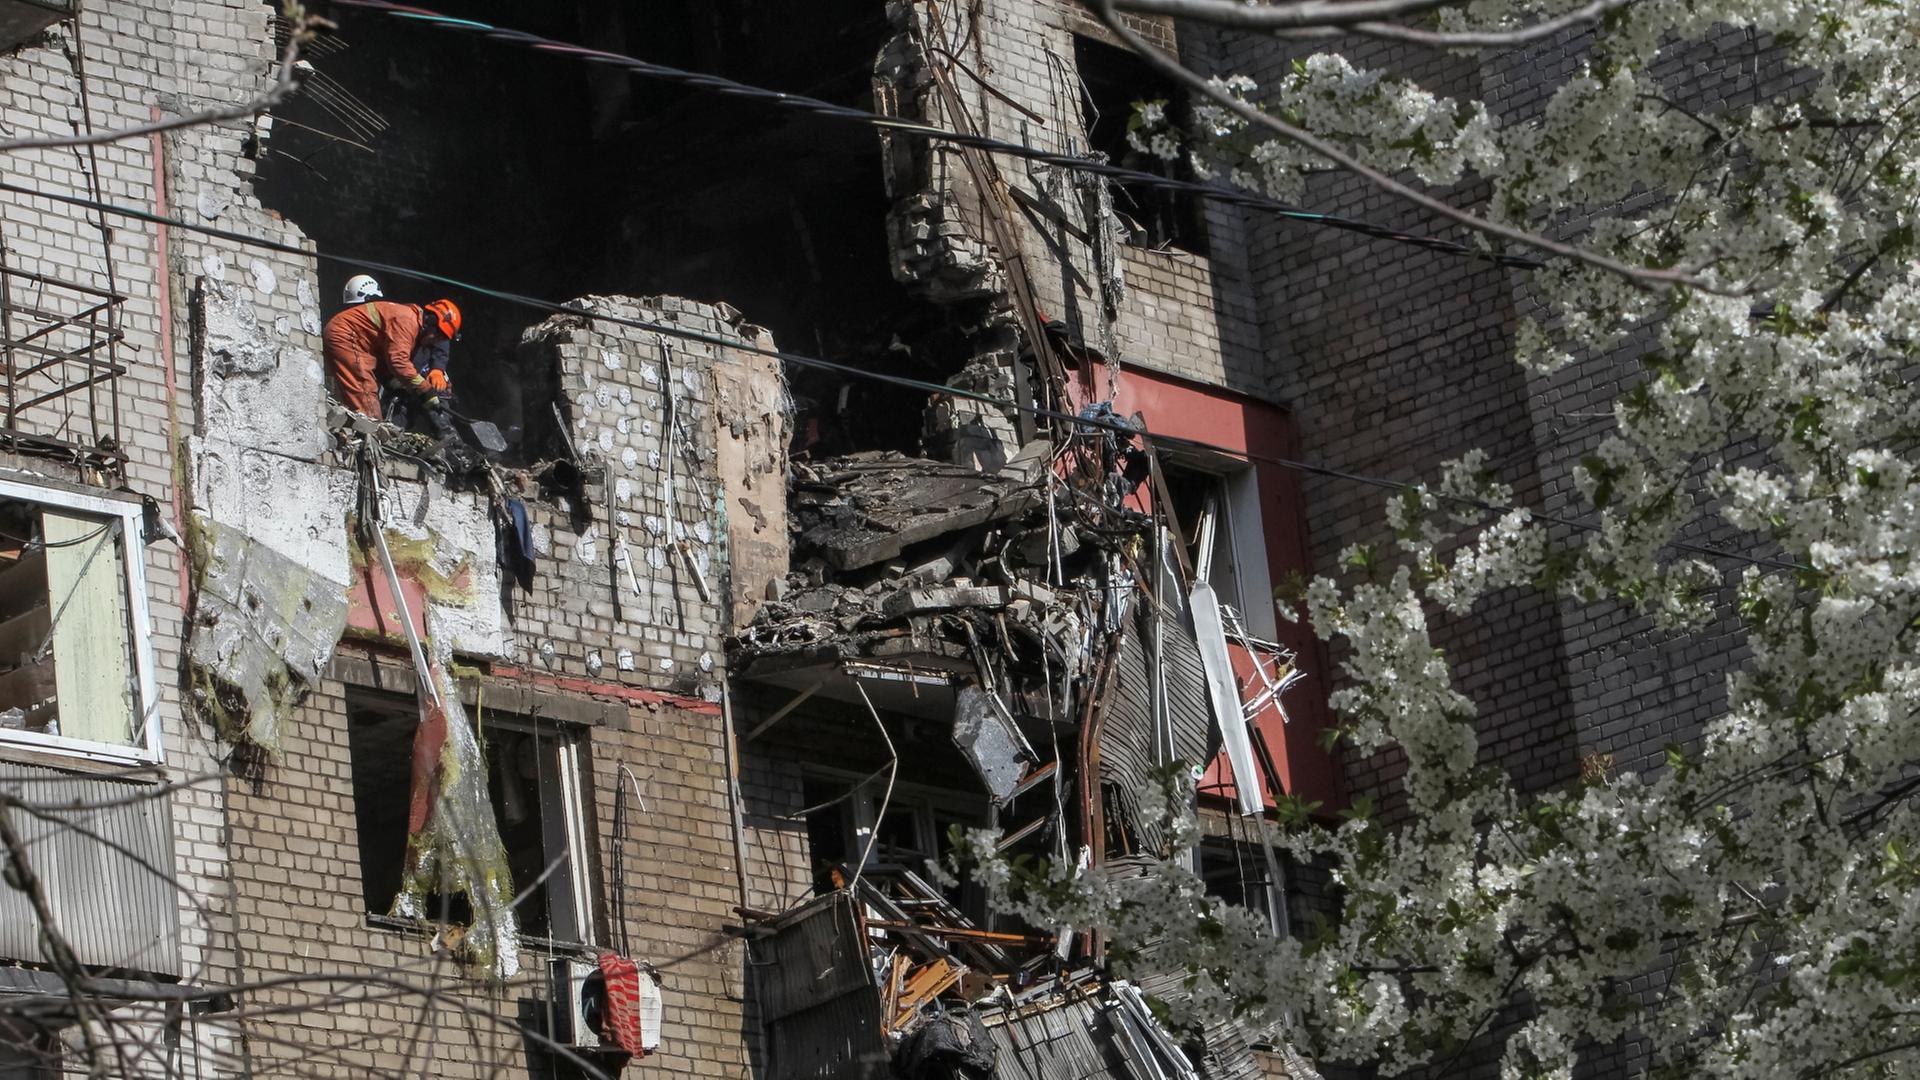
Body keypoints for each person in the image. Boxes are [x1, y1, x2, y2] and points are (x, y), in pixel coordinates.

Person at [322, 295, 460, 420]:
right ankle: (370, 431)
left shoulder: (411, 323)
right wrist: (426, 390)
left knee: (361, 396)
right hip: (347, 337)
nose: (435, 342)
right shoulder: (407, 322)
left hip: (355, 341)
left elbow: (387, 361)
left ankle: (357, 430)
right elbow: (398, 362)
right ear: (431, 322)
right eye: (437, 336)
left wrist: (399, 386)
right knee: (365, 394)